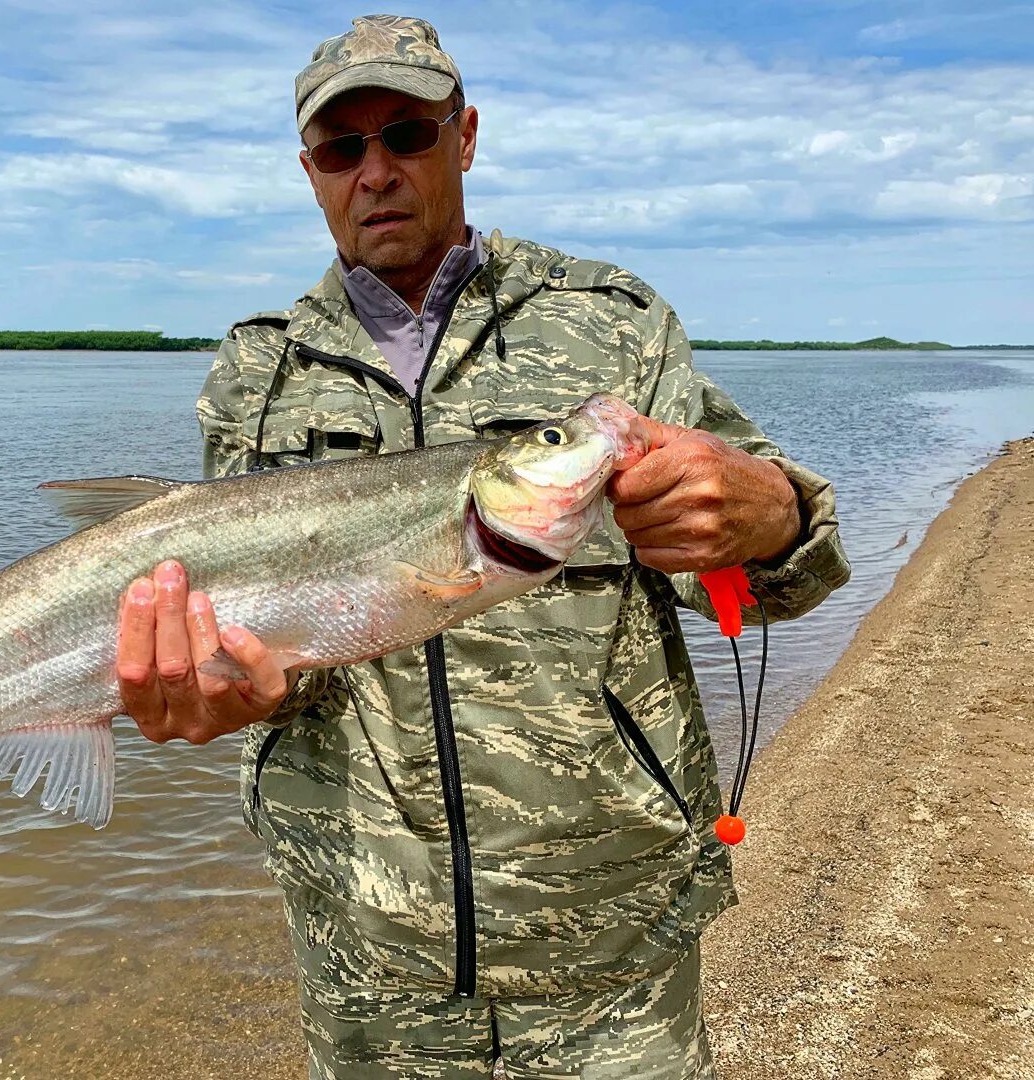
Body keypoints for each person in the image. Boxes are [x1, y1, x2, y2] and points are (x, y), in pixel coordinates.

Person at [115, 14, 850, 1079]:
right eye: (340, 149)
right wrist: (235, 691)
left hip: (609, 934)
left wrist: (772, 515)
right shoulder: (255, 371)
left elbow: (767, 581)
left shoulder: (616, 323)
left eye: (406, 135)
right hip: (363, 947)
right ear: (311, 172)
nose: (375, 172)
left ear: (463, 138)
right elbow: (279, 652)